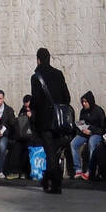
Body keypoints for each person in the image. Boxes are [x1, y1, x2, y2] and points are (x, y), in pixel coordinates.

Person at [31, 47, 71, 194]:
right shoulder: (59, 74)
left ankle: (54, 183)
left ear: (38, 59)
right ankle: (49, 180)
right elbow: (67, 98)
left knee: (50, 152)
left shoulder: (36, 77)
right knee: (52, 151)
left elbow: (35, 100)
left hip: (45, 121)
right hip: (59, 121)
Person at [71, 91, 105, 180]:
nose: (84, 104)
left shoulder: (98, 111)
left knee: (92, 142)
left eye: (86, 102)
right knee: (73, 143)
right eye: (82, 102)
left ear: (90, 101)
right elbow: (82, 123)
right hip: (84, 133)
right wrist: (80, 127)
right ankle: (78, 169)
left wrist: (91, 131)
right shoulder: (83, 111)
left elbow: (102, 129)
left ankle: (90, 170)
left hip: (95, 134)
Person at [6, 96, 38, 179]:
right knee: (16, 148)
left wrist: (32, 116)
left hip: (33, 136)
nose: (26, 106)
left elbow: (37, 123)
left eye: (28, 103)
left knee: (27, 148)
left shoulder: (36, 109)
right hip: (22, 135)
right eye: (25, 103)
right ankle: (14, 171)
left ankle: (25, 171)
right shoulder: (23, 110)